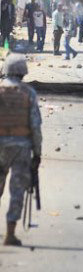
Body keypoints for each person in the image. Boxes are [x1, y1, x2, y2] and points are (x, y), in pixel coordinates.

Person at [0, 54, 42, 246]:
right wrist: (37, 153)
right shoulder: (29, 93)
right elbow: (35, 126)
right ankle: (10, 234)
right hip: (21, 148)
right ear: (23, 73)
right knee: (17, 191)